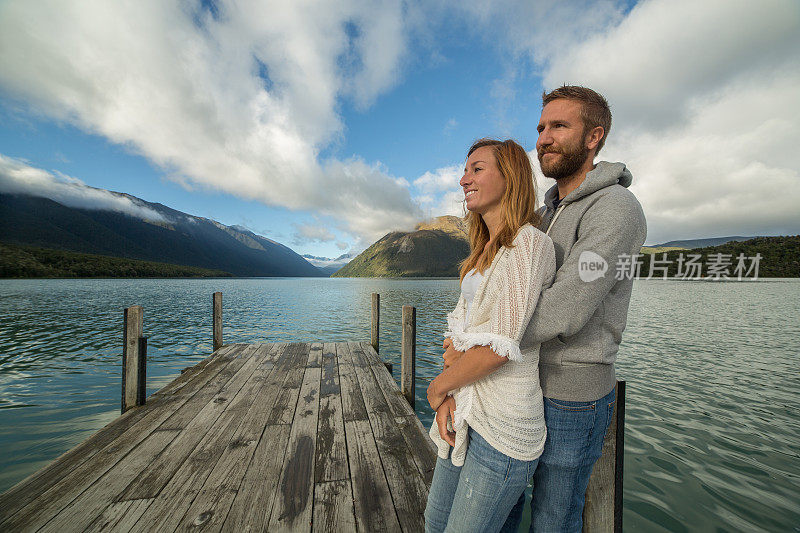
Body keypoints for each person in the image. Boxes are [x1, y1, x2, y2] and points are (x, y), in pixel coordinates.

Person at [446, 86, 647, 532]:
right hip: (517, 388)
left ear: (594, 136)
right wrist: (474, 347)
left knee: (554, 520)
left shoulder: (616, 208)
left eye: (559, 126)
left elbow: (565, 310)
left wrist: (474, 347)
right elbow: (499, 296)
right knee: (503, 514)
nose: (543, 137)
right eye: (540, 127)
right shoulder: (541, 214)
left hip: (571, 397)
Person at [424, 138, 557, 533]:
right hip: (465, 407)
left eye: (477, 169)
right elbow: (462, 331)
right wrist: (449, 394)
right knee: (434, 523)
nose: (464, 179)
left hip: (503, 425)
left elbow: (498, 347)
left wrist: (436, 389)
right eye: (465, 170)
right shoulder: (483, 251)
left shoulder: (529, 245)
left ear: (510, 176)